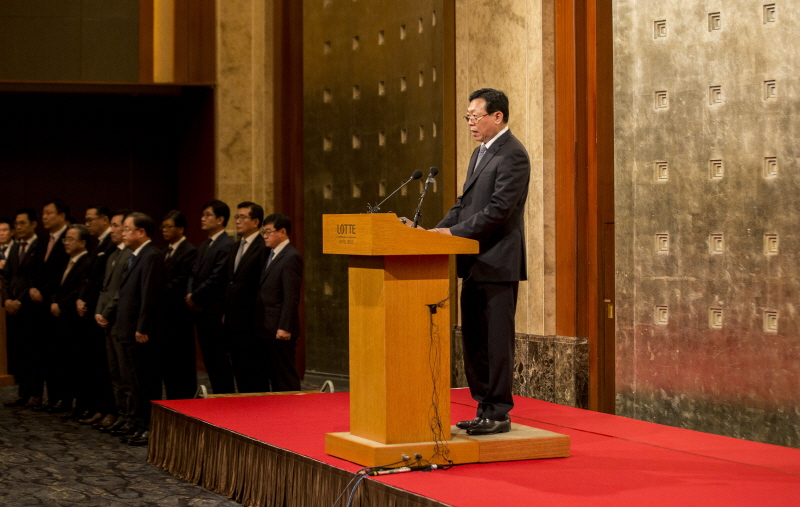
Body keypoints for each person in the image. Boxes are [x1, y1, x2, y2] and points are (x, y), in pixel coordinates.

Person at [430, 88, 530, 436]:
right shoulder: (480, 153)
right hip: (472, 262)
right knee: (474, 341)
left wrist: (453, 233)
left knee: (496, 342)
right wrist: (436, 232)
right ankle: (483, 408)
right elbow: (464, 205)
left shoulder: (513, 154)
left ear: (497, 116)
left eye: (475, 116)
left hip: (498, 263)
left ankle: (498, 412)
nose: (470, 123)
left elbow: (499, 211)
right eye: (468, 117)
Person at [114, 212, 164, 446]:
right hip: (128, 329)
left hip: (140, 332)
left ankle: (149, 427)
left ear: (141, 232)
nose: (122, 233)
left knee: (145, 382)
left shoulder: (151, 255)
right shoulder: (136, 256)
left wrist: (142, 327)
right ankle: (137, 422)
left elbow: (149, 294)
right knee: (133, 381)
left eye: (127, 229)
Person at [186, 200, 235, 394]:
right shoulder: (205, 244)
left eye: (208, 215)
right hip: (201, 310)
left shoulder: (226, 245)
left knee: (219, 361)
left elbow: (217, 277)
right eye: (203, 214)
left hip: (214, 311)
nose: (202, 218)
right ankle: (217, 397)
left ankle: (225, 398)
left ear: (220, 219)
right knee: (210, 360)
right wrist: (190, 294)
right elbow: (194, 273)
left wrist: (195, 297)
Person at [94, 210, 134, 433]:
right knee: (114, 374)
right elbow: (105, 289)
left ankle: (129, 416)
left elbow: (121, 291)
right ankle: (120, 414)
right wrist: (99, 312)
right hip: (107, 321)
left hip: (120, 321)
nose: (113, 230)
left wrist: (106, 312)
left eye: (118, 226)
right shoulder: (113, 255)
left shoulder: (130, 256)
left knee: (126, 375)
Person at [48, 225, 93, 420]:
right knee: (63, 362)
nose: (66, 243)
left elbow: (78, 291)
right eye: (65, 239)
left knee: (77, 364)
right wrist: (53, 301)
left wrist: (61, 305)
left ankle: (79, 404)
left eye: (71, 239)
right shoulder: (67, 261)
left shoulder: (87, 261)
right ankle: (65, 400)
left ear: (82, 242)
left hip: (75, 321)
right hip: (61, 320)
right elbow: (58, 287)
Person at [31, 199, 72, 413]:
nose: (44, 217)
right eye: (43, 213)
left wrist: (44, 292)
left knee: (60, 355)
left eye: (49, 213)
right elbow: (34, 268)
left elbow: (63, 273)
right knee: (44, 354)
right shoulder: (42, 238)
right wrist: (32, 288)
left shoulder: (70, 238)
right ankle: (53, 397)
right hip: (39, 306)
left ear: (62, 215)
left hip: (58, 304)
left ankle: (64, 398)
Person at [223, 202, 267, 392]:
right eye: (236, 217)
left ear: (256, 222)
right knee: (239, 369)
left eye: (242, 217)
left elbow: (261, 285)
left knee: (255, 371)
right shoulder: (235, 246)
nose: (237, 221)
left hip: (252, 321)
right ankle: (242, 403)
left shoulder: (263, 246)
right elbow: (231, 282)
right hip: (233, 320)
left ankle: (257, 406)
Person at [255, 213, 303, 392]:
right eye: (264, 232)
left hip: (280, 329)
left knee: (285, 377)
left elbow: (291, 296)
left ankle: (292, 407)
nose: (265, 236)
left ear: (282, 232)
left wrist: (284, 327)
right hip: (267, 327)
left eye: (268, 231)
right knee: (274, 376)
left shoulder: (291, 256)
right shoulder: (271, 254)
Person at [2, 209, 44, 408]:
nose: (18, 227)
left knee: (33, 351)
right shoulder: (15, 247)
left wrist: (19, 301)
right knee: (18, 352)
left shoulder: (40, 246)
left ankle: (35, 393)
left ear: (33, 224)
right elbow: (6, 277)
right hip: (12, 309)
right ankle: (23, 392)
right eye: (16, 224)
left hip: (30, 309)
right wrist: (6, 300)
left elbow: (34, 279)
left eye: (22, 223)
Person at [157, 210, 197, 399]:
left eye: (168, 226)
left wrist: (156, 292)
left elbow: (181, 281)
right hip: (164, 317)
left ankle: (184, 399)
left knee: (181, 362)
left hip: (179, 316)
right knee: (167, 363)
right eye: (163, 226)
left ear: (180, 229)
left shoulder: (189, 251)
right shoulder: (164, 251)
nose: (164, 230)